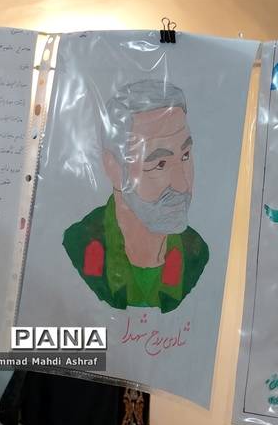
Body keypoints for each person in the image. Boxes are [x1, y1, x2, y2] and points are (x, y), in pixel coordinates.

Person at [63, 80, 208, 313]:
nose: (182, 185)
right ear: (113, 168)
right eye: (160, 164)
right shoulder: (81, 242)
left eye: (185, 156)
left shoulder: (196, 253)